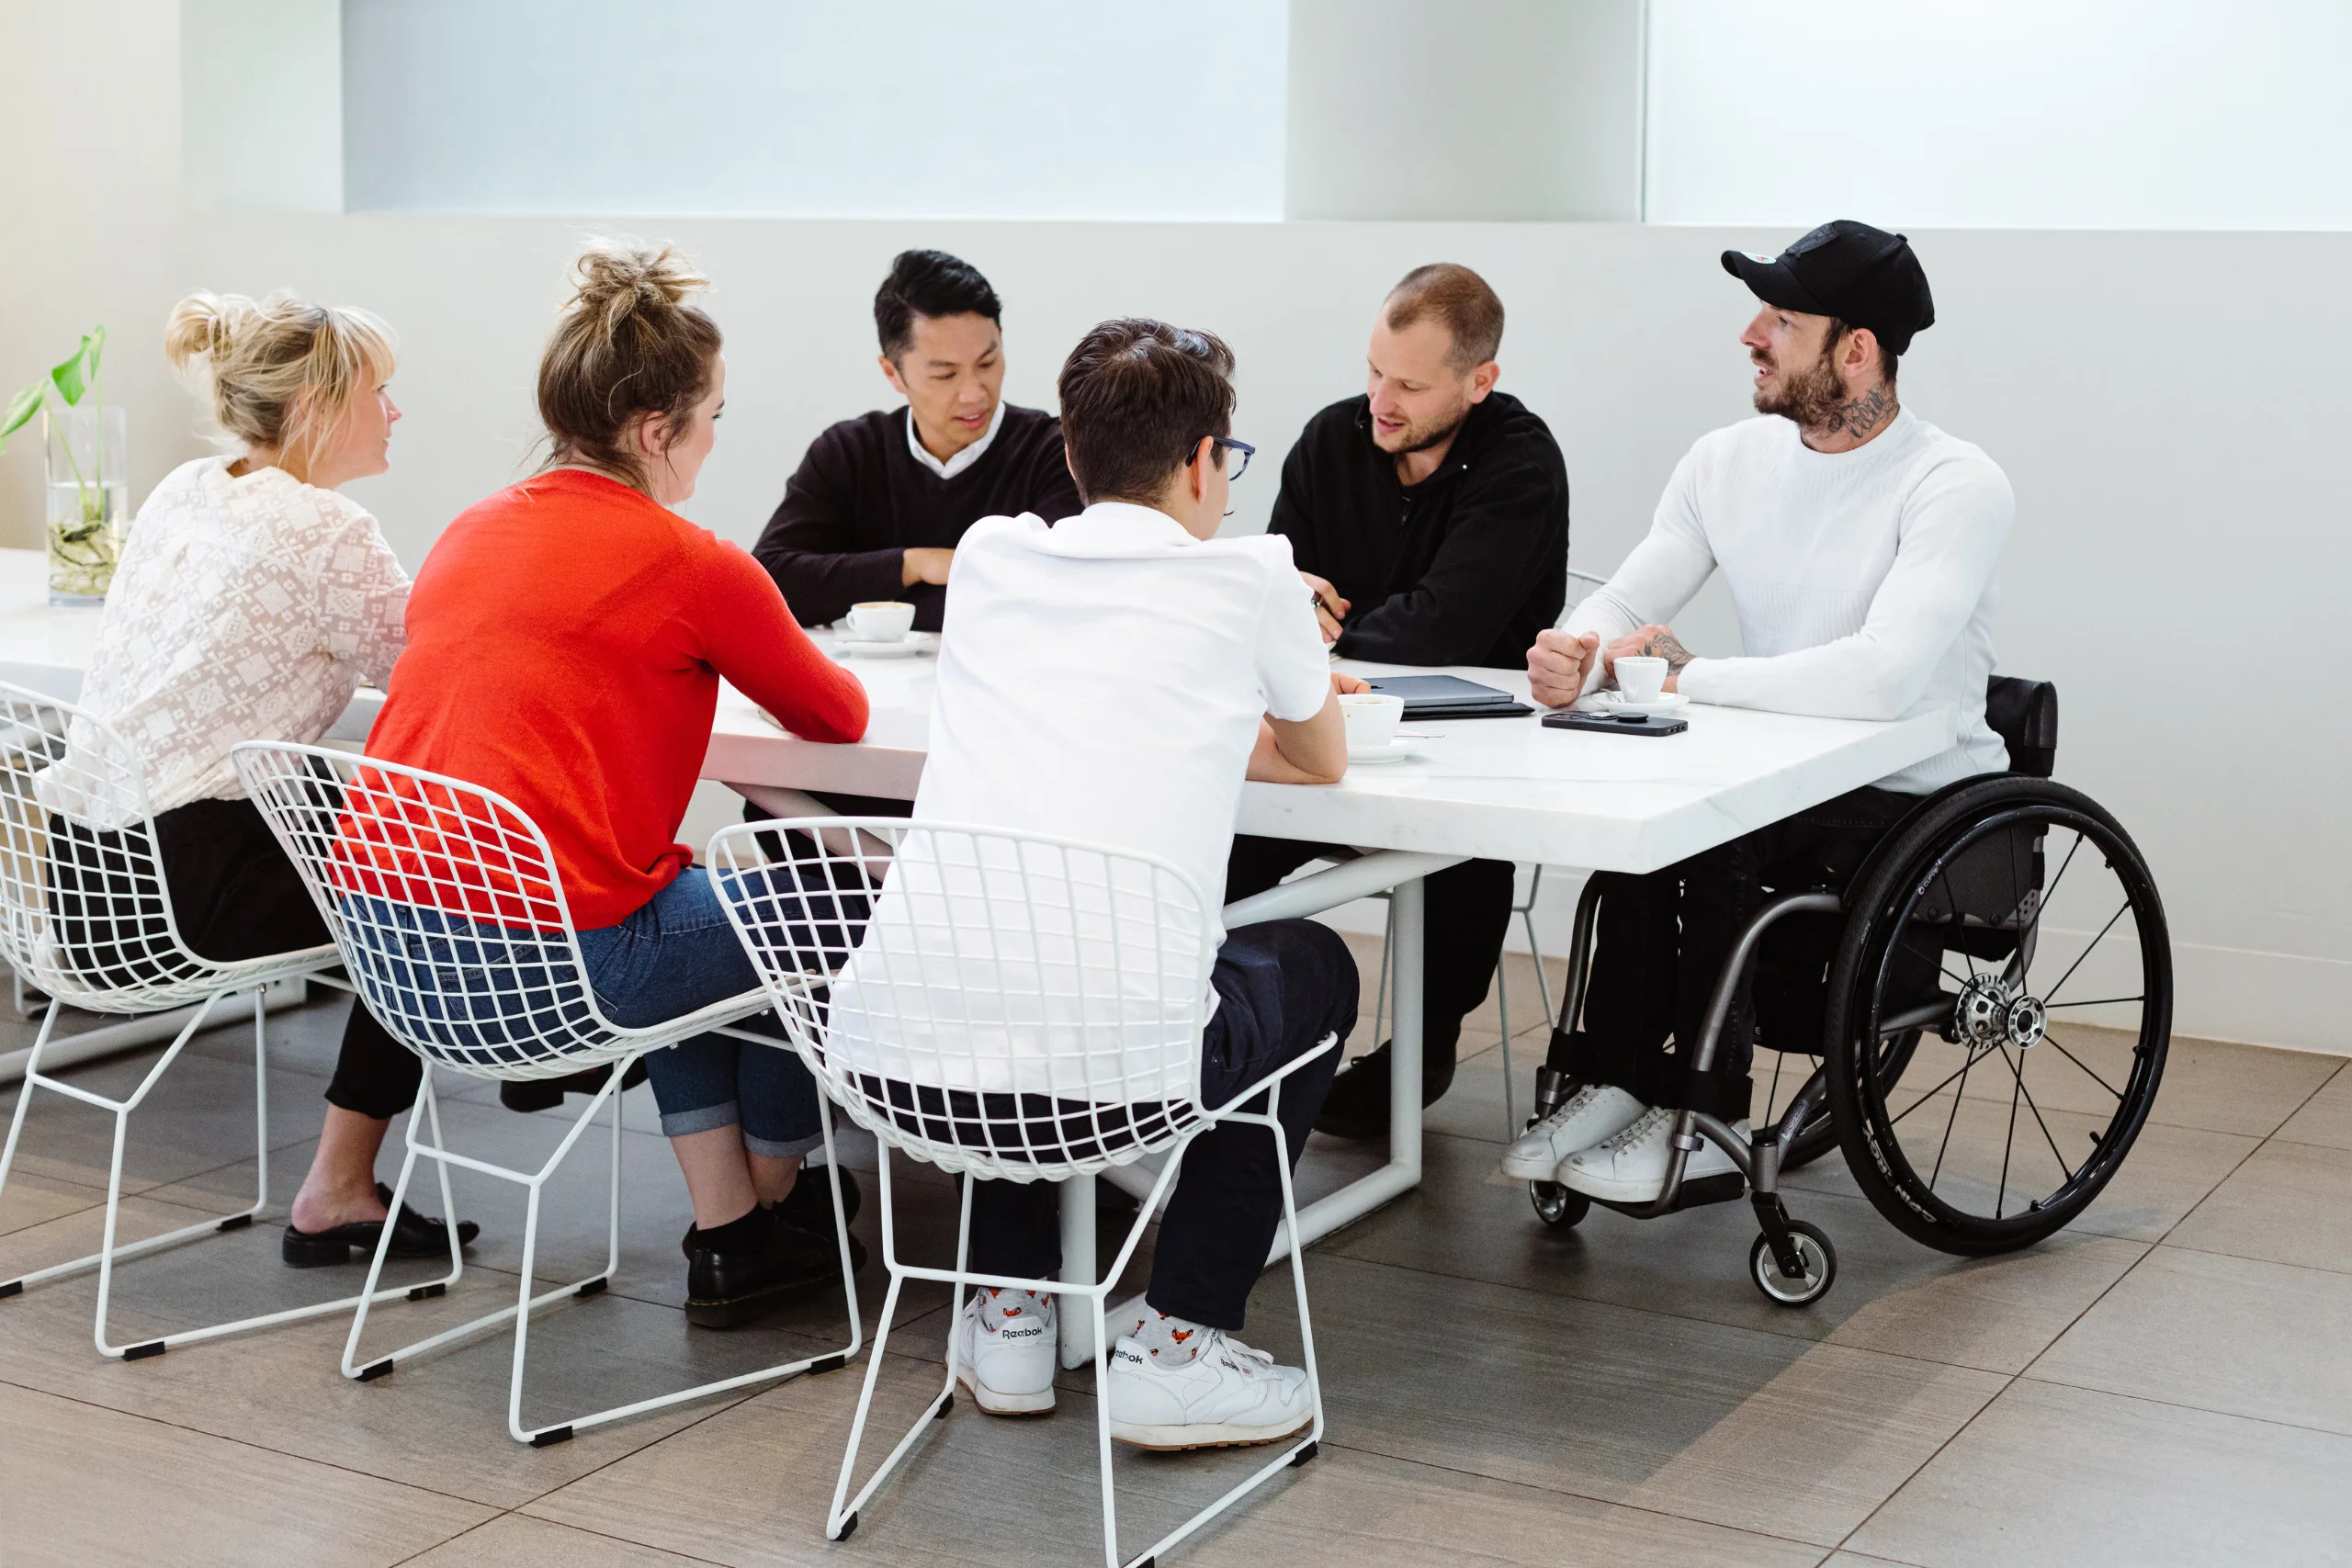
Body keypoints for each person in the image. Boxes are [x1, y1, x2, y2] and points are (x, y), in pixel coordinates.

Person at [842, 318, 1359, 1449]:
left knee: (1022, 933)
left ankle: (1014, 1308)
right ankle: (1180, 1340)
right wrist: (1232, 708)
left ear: (1071, 458)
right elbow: (1323, 758)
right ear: (1201, 463)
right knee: (1310, 968)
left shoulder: (987, 555)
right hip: (1119, 1073)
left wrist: (1200, 713)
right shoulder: (1250, 573)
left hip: (901, 1064)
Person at [362, 242, 872, 1326]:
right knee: (819, 898)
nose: (713, 441)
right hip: (552, 965)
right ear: (656, 432)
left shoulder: (469, 527)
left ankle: (729, 1229)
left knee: (679, 896)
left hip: (391, 957)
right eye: (713, 418)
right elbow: (839, 716)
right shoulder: (692, 560)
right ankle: (775, 1202)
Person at [1505, 220, 2014, 1203]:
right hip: (1774, 767)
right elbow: (1628, 600)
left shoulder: (1954, 484)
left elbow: (1880, 679)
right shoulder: (1723, 462)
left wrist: (1687, 677)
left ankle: (1705, 1116)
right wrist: (1576, 648)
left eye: (1781, 319)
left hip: (1907, 788)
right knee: (1648, 821)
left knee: (1715, 836)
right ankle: (1613, 1081)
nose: (1750, 335)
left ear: (1854, 350)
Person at [39, 288, 481, 1269]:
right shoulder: (326, 530)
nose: (397, 413)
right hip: (185, 889)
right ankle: (338, 1189)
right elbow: (434, 665)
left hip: (82, 879)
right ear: (320, 407)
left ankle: (349, 1179)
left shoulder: (186, 487)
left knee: (378, 837)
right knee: (429, 893)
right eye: (383, 391)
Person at [1228, 263, 1569, 1140]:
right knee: (1227, 817)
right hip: (1323, 727)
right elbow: (1278, 601)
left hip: (1467, 748)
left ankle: (1422, 1051)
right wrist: (1296, 616)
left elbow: (1445, 629)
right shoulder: (1327, 443)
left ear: (1479, 382)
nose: (1381, 398)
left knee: (1464, 849)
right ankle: (1199, 1024)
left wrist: (1323, 634)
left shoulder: (1521, 463)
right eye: (1375, 370)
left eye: (1410, 384)